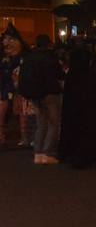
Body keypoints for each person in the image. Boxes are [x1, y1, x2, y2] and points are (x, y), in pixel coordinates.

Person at [12, 27, 62, 164]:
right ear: (48, 44)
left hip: (34, 94)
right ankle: (48, 153)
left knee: (41, 123)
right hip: (50, 93)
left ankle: (38, 154)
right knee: (53, 123)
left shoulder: (29, 57)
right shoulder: (50, 57)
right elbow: (59, 74)